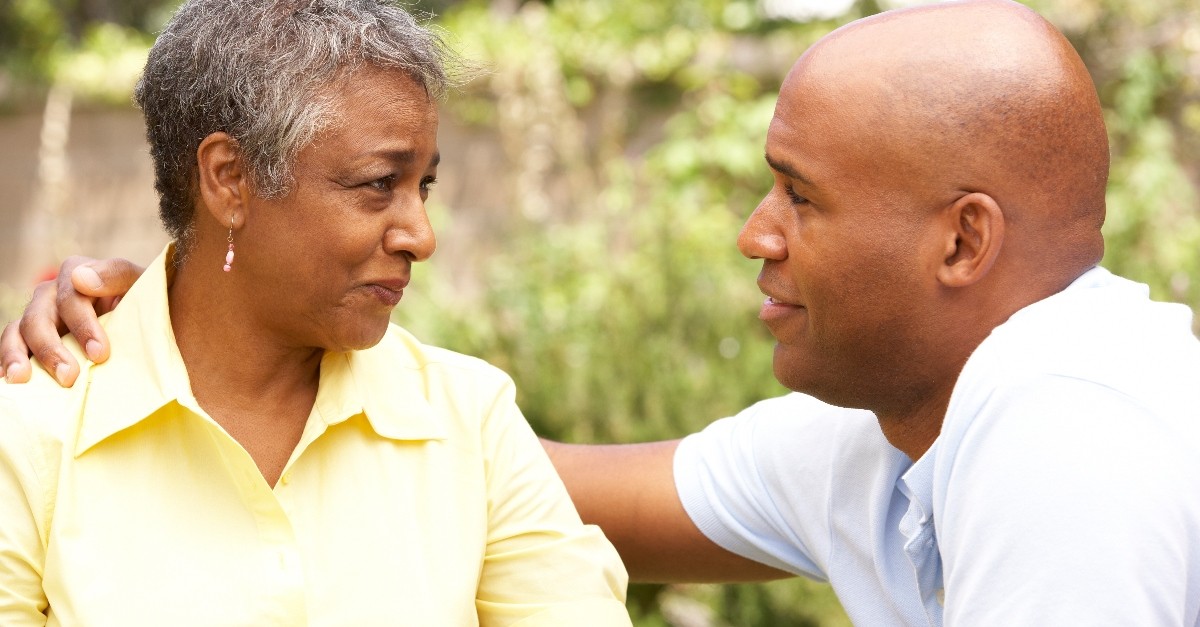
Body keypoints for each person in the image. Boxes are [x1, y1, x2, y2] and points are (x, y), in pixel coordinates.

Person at [5, 0, 1200, 624]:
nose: (755, 231)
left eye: (799, 195)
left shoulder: (1071, 446)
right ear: (228, 180)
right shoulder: (887, 432)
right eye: (381, 185)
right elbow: (527, 478)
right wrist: (188, 315)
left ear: (963, 239)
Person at [0, 1, 632, 625]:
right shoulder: (32, 432)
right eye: (379, 184)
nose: (422, 235)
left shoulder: (470, 421)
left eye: (424, 187)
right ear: (229, 179)